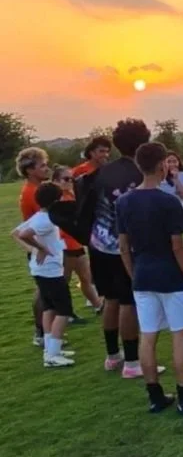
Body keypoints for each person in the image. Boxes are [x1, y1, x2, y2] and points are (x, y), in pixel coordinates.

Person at [117, 142, 183, 415]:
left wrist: (133, 275)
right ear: (162, 165)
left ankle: (155, 395)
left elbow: (123, 246)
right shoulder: (168, 201)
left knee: (148, 336)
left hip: (142, 276)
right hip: (170, 276)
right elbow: (178, 247)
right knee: (180, 335)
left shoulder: (124, 201)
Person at [89, 118, 155, 379]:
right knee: (129, 302)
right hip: (124, 246)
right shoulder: (139, 174)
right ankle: (131, 362)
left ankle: (112, 356)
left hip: (97, 243)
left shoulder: (100, 172)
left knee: (111, 300)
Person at [12, 182, 76, 368]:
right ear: (56, 200)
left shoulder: (40, 216)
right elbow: (23, 234)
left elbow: (15, 232)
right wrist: (40, 248)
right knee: (64, 310)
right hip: (50, 271)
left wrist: (34, 249)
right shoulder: (46, 220)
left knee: (49, 309)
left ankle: (51, 349)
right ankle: (52, 355)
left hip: (41, 270)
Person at [52, 166, 102, 312]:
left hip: (75, 244)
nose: (70, 182)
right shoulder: (57, 199)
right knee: (63, 281)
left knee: (85, 278)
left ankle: (98, 305)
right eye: (66, 179)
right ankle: (59, 312)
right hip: (64, 246)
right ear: (55, 181)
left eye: (72, 179)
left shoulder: (72, 195)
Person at [16, 147, 52, 346]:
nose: (46, 169)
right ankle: (41, 332)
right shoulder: (32, 192)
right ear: (30, 170)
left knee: (49, 290)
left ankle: (49, 328)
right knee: (44, 291)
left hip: (43, 244)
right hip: (41, 245)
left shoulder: (35, 188)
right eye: (42, 166)